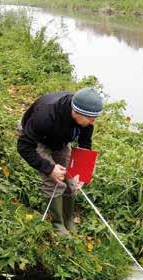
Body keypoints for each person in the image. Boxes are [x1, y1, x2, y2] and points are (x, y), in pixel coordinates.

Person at [17, 88, 103, 235]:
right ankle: (58, 224)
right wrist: (49, 168)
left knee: (70, 180)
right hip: (36, 140)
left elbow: (84, 143)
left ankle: (67, 219)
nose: (93, 122)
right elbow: (23, 147)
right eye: (90, 118)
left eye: (94, 118)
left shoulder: (86, 117)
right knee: (55, 180)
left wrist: (81, 171)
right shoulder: (45, 117)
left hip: (60, 140)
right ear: (75, 112)